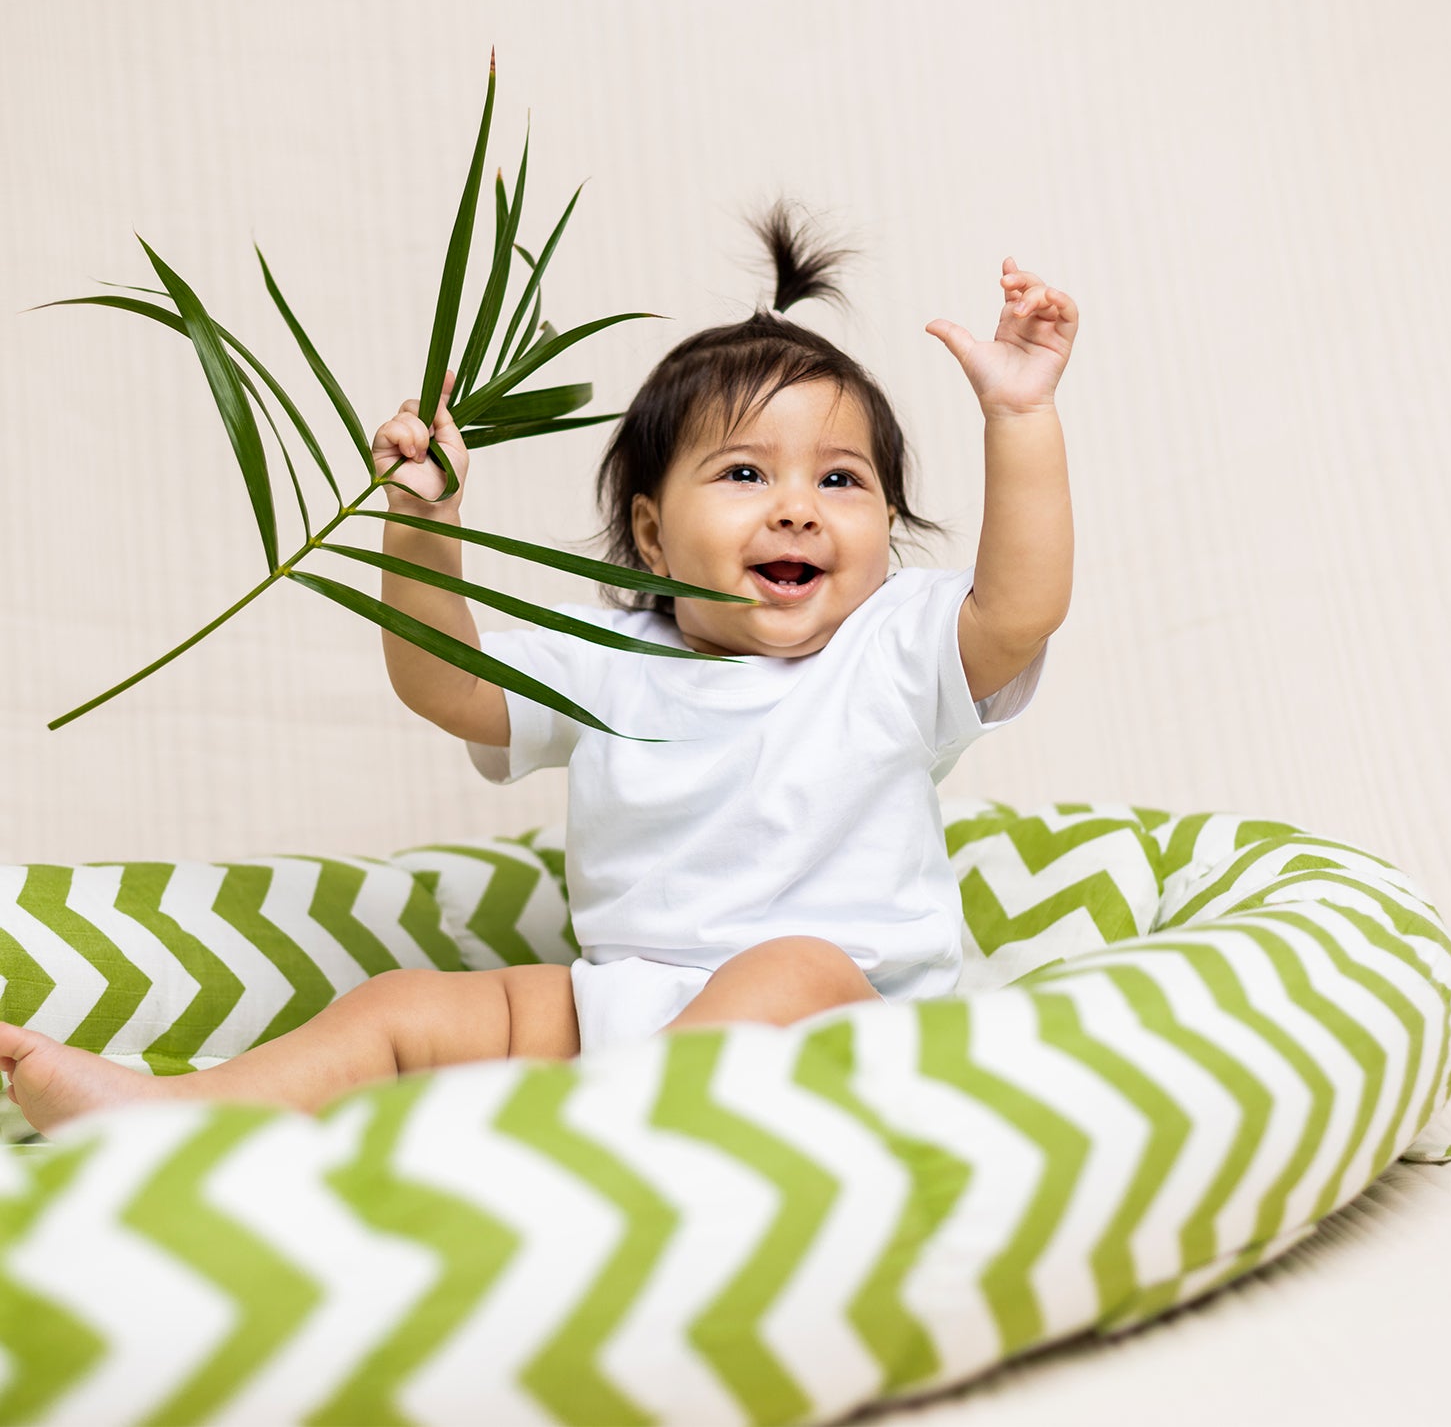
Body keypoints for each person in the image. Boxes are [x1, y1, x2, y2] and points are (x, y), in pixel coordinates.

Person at [0, 198, 1077, 1135]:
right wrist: (426, 526)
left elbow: (1022, 609)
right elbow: (446, 683)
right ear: (652, 538)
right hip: (623, 1013)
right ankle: (175, 1117)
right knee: (399, 1008)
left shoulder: (893, 648)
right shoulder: (606, 659)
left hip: (853, 1017)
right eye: (746, 472)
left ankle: (601, 1144)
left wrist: (1019, 413)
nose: (797, 504)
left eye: (841, 480)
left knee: (782, 968)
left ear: (887, 525)